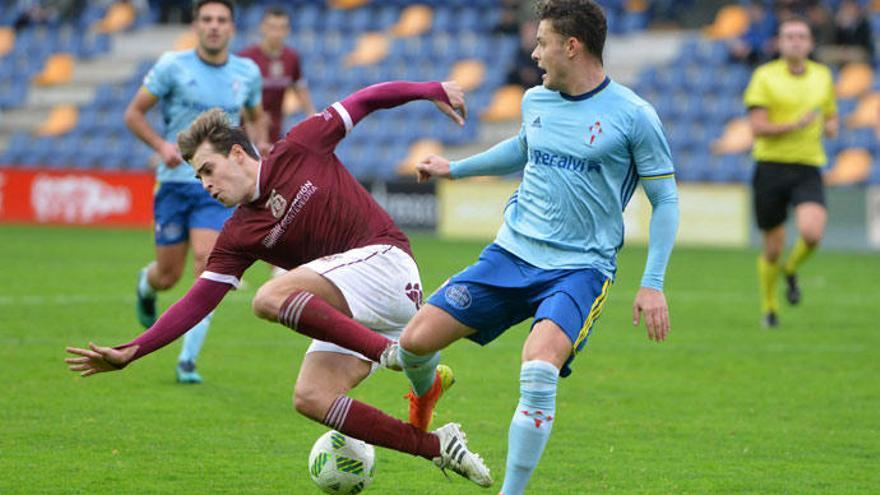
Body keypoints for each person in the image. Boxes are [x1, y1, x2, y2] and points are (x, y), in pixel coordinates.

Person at [66, 80, 493, 488]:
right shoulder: (237, 235)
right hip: (352, 308)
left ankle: (392, 355)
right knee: (311, 397)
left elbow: (365, 100)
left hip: (387, 266)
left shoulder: (300, 146)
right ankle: (436, 446)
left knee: (271, 295)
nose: (206, 185)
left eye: (208, 170)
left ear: (237, 153)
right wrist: (131, 352)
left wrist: (429, 90)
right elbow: (196, 302)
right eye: (198, 178)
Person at [395, 2, 679, 494]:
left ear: (572, 46)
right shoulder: (536, 100)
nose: (534, 52)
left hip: (579, 270)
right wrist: (454, 167)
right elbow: (523, 147)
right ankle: (429, 390)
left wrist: (652, 283)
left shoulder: (634, 116)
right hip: (510, 255)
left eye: (542, 42)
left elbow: (666, 199)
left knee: (538, 365)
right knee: (414, 343)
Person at [123, 0, 268, 384]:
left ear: (232, 28)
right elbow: (133, 113)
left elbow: (256, 119)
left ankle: (187, 360)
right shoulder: (173, 65)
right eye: (207, 19)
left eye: (221, 20)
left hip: (219, 187)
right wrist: (161, 146)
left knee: (207, 263)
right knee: (168, 276)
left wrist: (259, 151)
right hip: (174, 183)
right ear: (196, 25)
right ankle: (146, 283)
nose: (214, 26)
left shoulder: (247, 72)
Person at [743, 16, 838, 328]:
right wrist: (793, 125)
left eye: (801, 36)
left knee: (811, 234)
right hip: (771, 167)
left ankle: (791, 268)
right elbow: (757, 127)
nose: (796, 41)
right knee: (772, 248)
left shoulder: (823, 76)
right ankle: (770, 308)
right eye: (789, 36)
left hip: (808, 165)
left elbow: (830, 113)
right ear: (780, 43)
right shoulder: (765, 77)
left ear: (810, 44)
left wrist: (832, 125)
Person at [239, 5, 317, 149]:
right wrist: (254, 117)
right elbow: (235, 96)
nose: (276, 33)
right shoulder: (246, 58)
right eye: (272, 27)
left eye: (281, 28)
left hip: (275, 130)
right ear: (262, 27)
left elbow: (299, 86)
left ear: (288, 30)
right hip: (246, 132)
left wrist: (311, 114)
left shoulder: (291, 58)